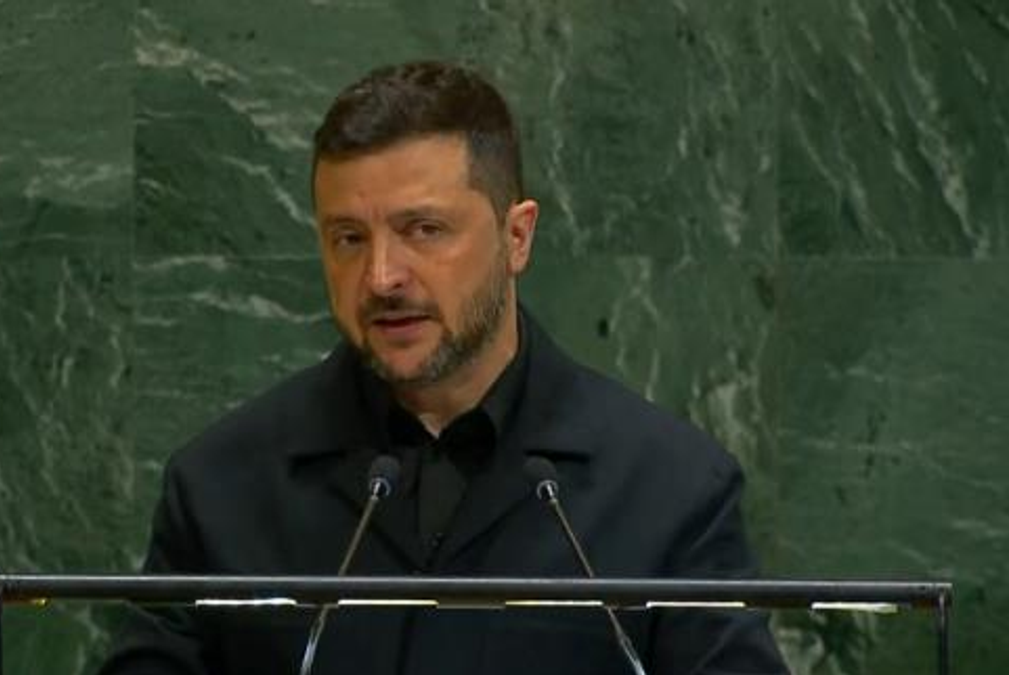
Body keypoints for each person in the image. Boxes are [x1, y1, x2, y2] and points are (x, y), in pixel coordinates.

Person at [99, 61, 788, 675]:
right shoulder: (221, 486)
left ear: (517, 236)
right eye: (348, 238)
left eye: (423, 230)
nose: (382, 276)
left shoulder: (670, 491)